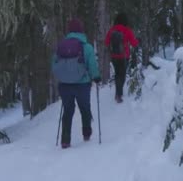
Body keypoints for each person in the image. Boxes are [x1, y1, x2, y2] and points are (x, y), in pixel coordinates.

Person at [52, 18, 101, 149]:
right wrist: (96, 77)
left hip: (65, 85)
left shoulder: (61, 46)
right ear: (81, 30)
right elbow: (92, 65)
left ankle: (65, 140)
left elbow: (54, 64)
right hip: (82, 84)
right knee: (84, 108)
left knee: (68, 110)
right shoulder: (87, 47)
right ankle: (86, 134)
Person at [104, 13, 138, 103]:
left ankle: (118, 93)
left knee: (117, 74)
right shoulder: (127, 30)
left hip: (114, 56)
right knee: (122, 75)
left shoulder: (112, 30)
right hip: (124, 56)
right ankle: (118, 94)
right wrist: (138, 41)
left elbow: (106, 42)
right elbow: (134, 43)